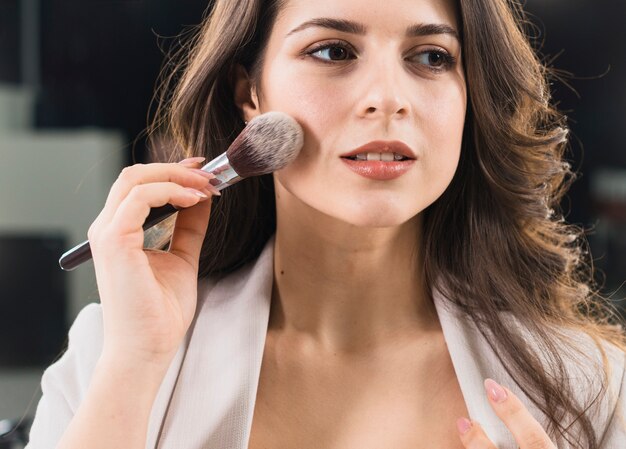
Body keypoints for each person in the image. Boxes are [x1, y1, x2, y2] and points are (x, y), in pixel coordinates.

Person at [25, 0, 626, 448]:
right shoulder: (114, 353)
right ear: (250, 94)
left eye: (431, 57)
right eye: (334, 51)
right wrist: (136, 364)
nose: (388, 98)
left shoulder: (588, 385)